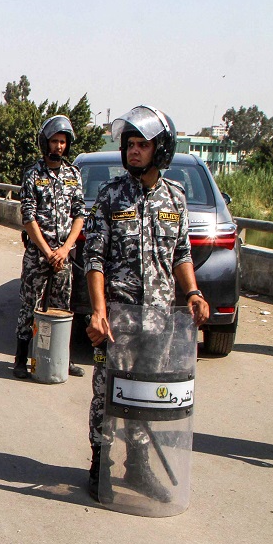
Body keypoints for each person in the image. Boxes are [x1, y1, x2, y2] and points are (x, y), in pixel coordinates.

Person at [83, 105, 209, 503]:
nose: (134, 151)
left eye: (143, 144)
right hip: (117, 319)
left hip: (159, 320)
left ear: (161, 149)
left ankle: (137, 467)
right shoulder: (109, 195)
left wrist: (192, 293)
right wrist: (99, 312)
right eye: (130, 144)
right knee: (107, 392)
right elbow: (95, 259)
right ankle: (99, 463)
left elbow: (182, 255)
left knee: (147, 396)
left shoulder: (176, 197)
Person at [13, 115, 86, 379]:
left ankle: (61, 359)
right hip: (38, 254)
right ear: (46, 143)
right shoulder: (33, 174)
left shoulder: (73, 175)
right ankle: (21, 359)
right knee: (29, 306)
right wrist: (47, 251)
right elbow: (28, 216)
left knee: (62, 307)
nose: (59, 147)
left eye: (63, 142)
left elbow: (80, 214)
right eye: (54, 141)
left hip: (63, 256)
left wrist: (65, 250)